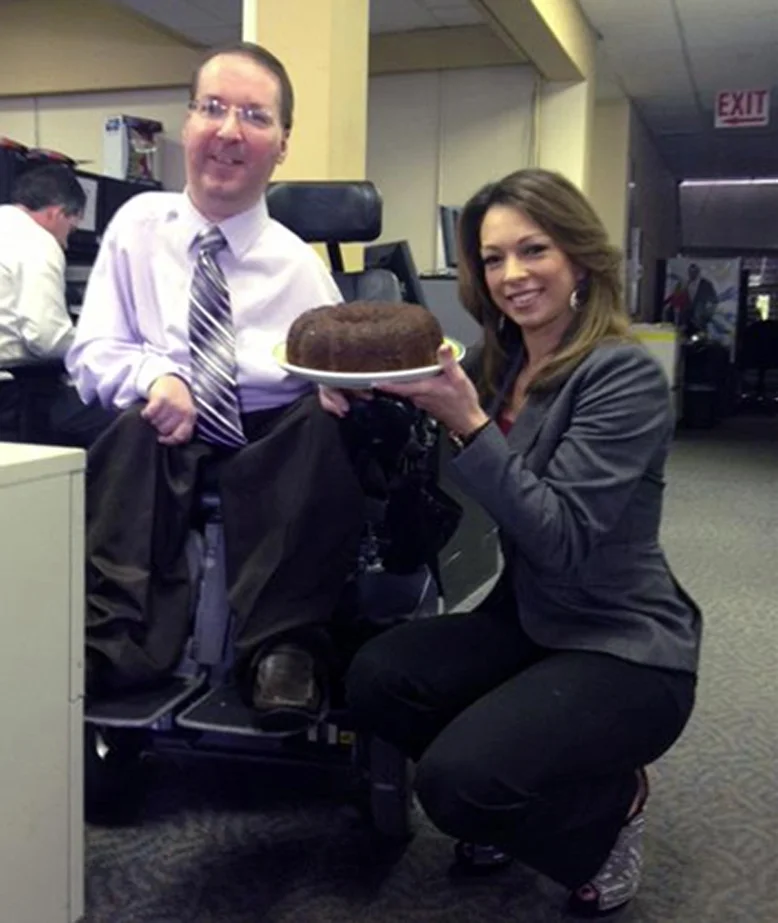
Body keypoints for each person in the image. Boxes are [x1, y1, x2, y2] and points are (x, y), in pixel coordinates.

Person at [325, 168, 701, 916]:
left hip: (621, 641)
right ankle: (522, 789)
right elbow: (422, 428)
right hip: (527, 617)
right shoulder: (500, 363)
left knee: (457, 786)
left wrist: (468, 424)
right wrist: (355, 391)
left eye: (534, 250)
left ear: (580, 258)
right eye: (493, 258)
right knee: (376, 678)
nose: (512, 275)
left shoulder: (623, 375)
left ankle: (611, 809)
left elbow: (561, 538)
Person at [67, 41, 364, 733]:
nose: (229, 130)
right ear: (189, 121)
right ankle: (113, 645)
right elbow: (92, 353)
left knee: (318, 426)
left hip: (271, 434)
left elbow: (336, 367)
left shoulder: (299, 267)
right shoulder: (137, 228)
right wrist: (156, 374)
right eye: (213, 108)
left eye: (254, 116)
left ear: (282, 144)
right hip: (165, 425)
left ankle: (285, 651)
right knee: (132, 428)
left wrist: (341, 389)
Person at [0, 164, 112, 445]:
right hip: (12, 395)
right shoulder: (38, 242)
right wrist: (102, 346)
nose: (66, 244)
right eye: (71, 230)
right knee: (124, 418)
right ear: (57, 213)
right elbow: (47, 338)